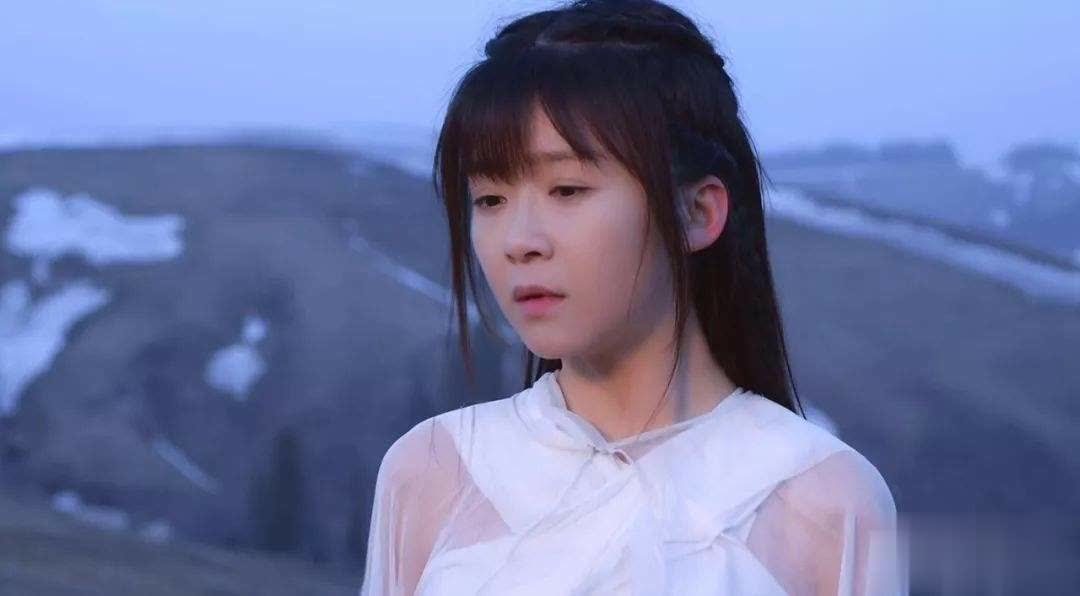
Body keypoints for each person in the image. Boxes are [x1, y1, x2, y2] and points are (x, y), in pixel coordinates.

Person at [360, 0, 904, 593]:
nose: (519, 241)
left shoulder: (826, 501)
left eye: (567, 189)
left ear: (698, 212)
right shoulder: (434, 473)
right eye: (490, 199)